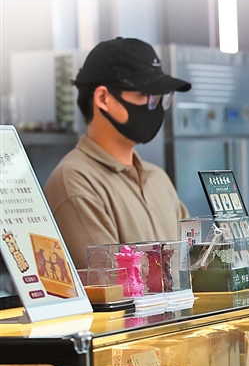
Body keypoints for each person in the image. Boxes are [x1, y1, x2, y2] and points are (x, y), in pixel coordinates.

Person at [44, 37, 191, 269]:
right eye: (145, 95)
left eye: (161, 98)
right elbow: (112, 280)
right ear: (103, 98)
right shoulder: (75, 180)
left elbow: (190, 264)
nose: (154, 106)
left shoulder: (158, 178)